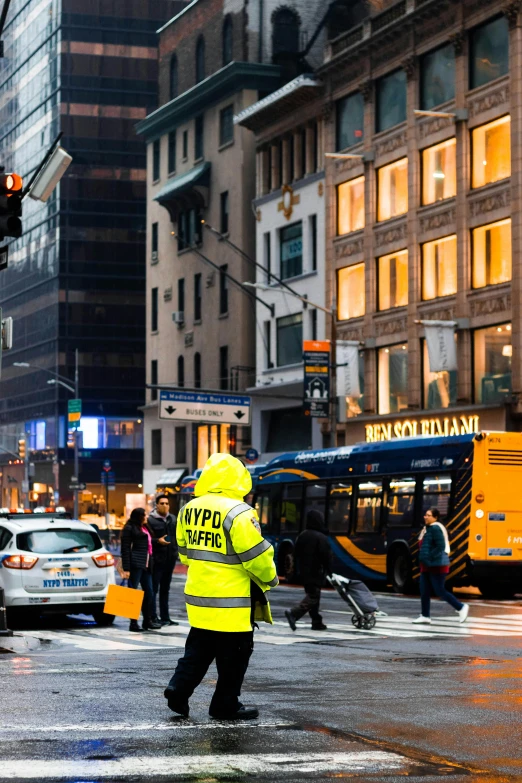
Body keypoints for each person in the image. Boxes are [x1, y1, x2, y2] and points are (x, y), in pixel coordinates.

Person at [164, 453, 278, 720]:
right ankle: (225, 704)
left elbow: (183, 552)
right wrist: (271, 579)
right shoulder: (239, 512)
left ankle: (178, 689)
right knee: (235, 656)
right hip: (232, 601)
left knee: (198, 649)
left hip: (199, 596)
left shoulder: (188, 509)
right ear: (239, 478)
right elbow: (256, 556)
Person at [412, 507, 469, 625]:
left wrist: (428, 557)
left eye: (428, 515)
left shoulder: (436, 528)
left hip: (437, 565)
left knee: (439, 590)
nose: (425, 517)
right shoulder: (427, 529)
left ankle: (461, 607)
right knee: (424, 591)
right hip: (427, 566)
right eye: (425, 515)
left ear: (435, 517)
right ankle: (425, 615)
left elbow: (440, 547)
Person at [285, 509, 332, 632]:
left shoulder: (302, 535)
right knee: (313, 596)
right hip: (316, 571)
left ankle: (316, 621)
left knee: (313, 595)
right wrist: (330, 571)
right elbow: (326, 557)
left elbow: (296, 554)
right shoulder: (321, 537)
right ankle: (294, 613)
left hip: (304, 572)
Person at [121, 508, 161, 632]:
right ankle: (133, 623)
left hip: (146, 565)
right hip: (135, 564)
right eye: (144, 515)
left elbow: (148, 543)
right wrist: (126, 568)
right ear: (138, 516)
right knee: (133, 594)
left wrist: (158, 541)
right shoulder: (129, 528)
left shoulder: (144, 528)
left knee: (149, 592)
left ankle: (147, 621)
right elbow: (125, 549)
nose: (146, 517)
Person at [148, 493, 179, 626]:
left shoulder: (173, 518)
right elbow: (147, 540)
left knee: (165, 589)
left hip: (170, 558)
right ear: (157, 505)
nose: (165, 506)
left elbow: (177, 536)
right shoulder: (151, 520)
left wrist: (176, 551)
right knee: (154, 589)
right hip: (156, 559)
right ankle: (153, 617)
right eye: (162, 503)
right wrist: (157, 541)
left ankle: (165, 617)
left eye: (167, 503)